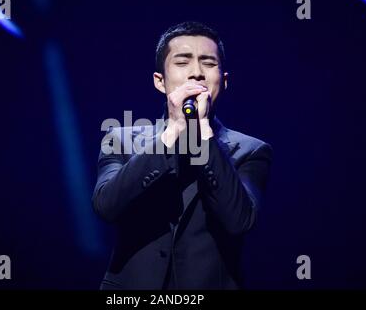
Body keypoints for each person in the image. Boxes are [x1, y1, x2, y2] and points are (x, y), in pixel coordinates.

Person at [92, 21, 273, 290]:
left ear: (223, 82)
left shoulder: (251, 151)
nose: (197, 73)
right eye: (183, 62)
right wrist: (174, 130)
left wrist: (201, 132)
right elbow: (106, 206)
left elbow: (239, 220)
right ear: (160, 82)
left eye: (208, 63)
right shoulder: (119, 139)